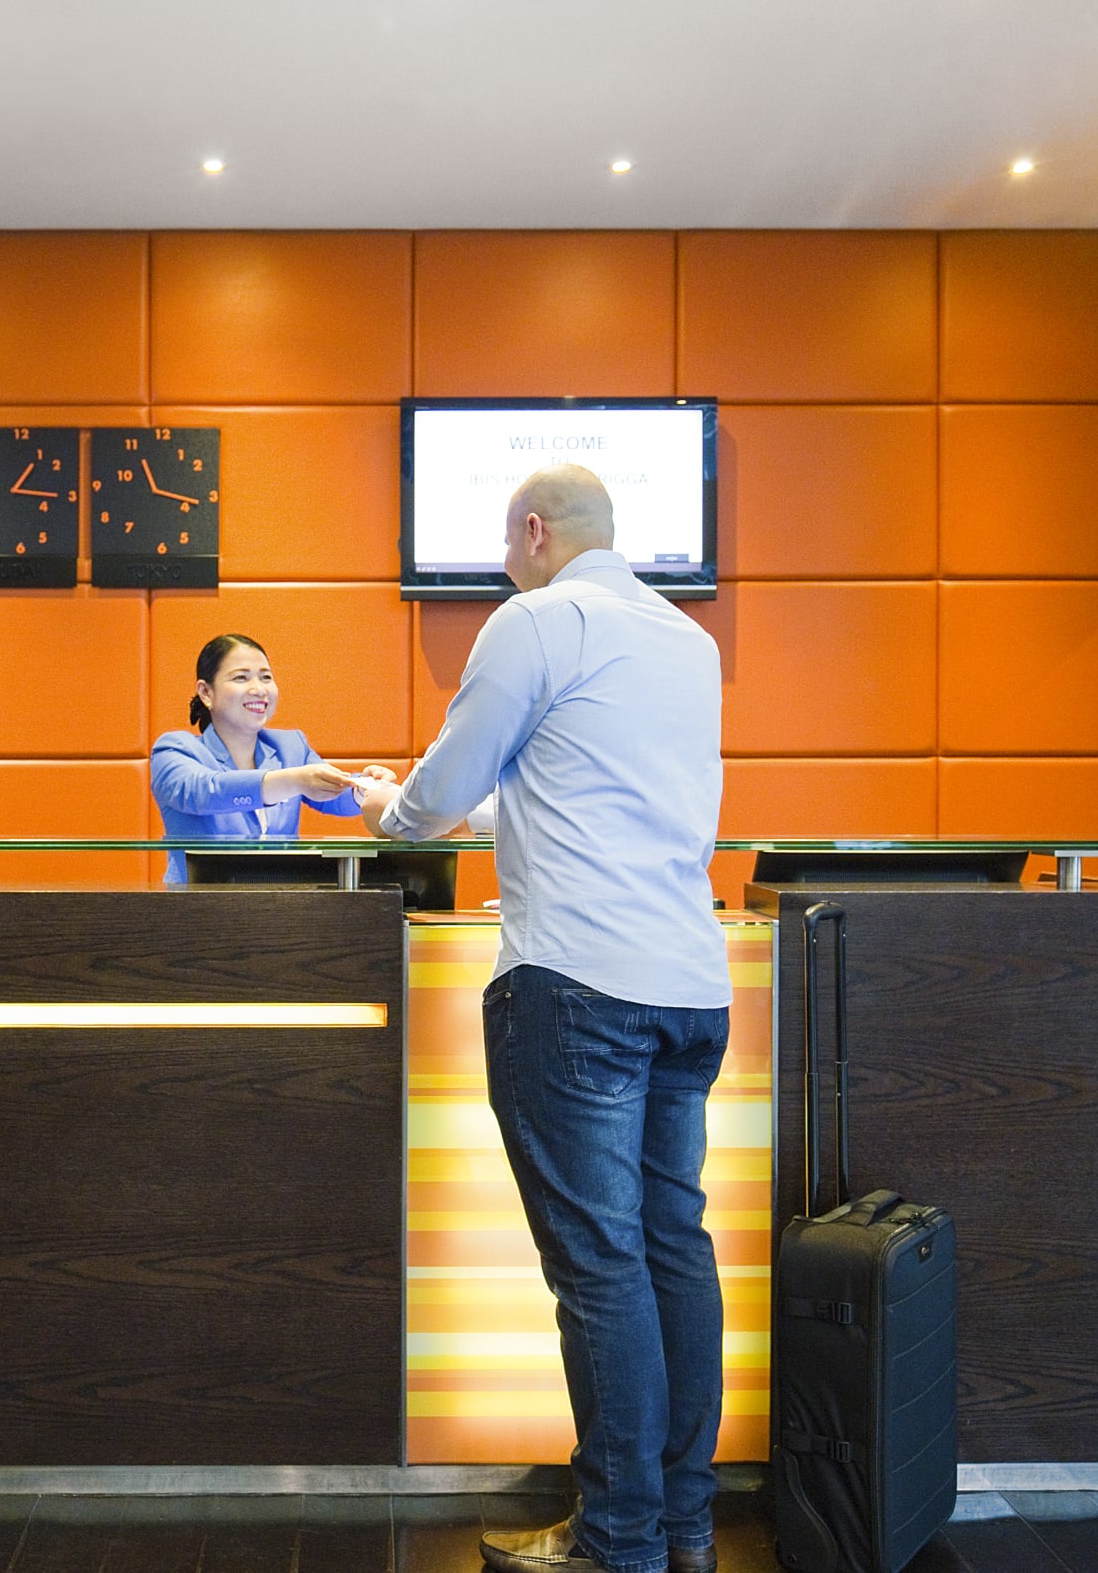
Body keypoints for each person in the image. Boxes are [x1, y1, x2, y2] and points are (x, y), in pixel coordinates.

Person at [358, 465, 729, 1573]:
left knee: (602, 1268)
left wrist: (389, 808)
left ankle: (618, 1538)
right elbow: (577, 793)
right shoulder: (687, 642)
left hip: (576, 986)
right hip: (689, 987)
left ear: (532, 531)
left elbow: (436, 798)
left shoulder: (534, 620)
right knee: (674, 1253)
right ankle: (682, 1527)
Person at [150, 633, 395, 883]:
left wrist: (367, 787)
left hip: (279, 901)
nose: (259, 689)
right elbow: (207, 791)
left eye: (266, 677)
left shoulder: (290, 746)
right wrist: (295, 780)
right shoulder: (174, 749)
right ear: (206, 692)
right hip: (199, 901)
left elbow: (333, 792)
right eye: (241, 677)